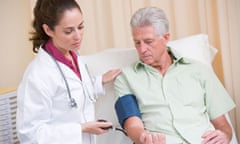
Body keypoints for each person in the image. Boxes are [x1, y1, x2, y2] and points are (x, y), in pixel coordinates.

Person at [113, 6, 235, 144]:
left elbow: (223, 125)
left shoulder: (199, 70)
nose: (142, 49)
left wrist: (224, 135)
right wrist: (143, 138)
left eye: (148, 42)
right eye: (137, 43)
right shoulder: (125, 78)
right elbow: (132, 125)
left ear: (166, 38)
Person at [16, 0, 121, 143]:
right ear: (48, 30)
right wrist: (80, 129)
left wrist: (98, 82)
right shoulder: (37, 75)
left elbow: (70, 95)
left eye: (81, 27)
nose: (78, 36)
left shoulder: (73, 55)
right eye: (69, 31)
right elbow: (30, 134)